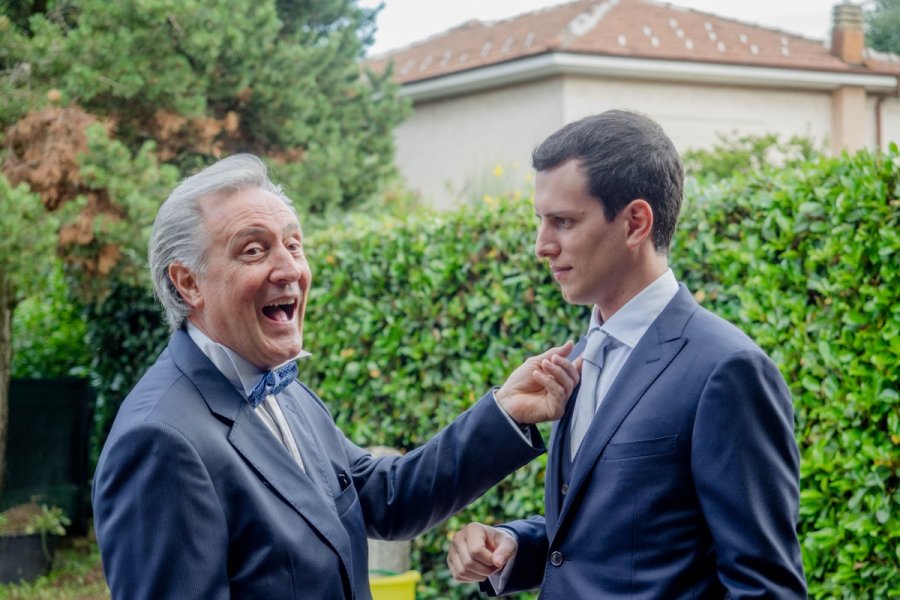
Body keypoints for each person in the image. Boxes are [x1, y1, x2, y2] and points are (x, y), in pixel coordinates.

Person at [91, 154, 580, 599]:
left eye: (294, 245)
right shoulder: (158, 441)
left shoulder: (285, 388)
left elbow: (386, 500)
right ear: (188, 283)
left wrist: (504, 411)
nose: (290, 270)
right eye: (254, 251)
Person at [447, 110, 807, 598]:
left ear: (636, 222)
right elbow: (611, 532)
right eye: (541, 222)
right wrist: (514, 542)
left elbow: (765, 587)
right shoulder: (582, 357)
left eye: (563, 222)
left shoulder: (728, 371)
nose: (541, 246)